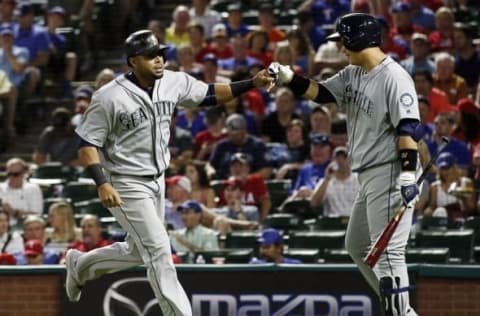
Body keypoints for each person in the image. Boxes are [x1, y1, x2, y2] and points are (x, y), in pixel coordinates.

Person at [68, 29, 272, 315]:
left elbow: (210, 94)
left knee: (141, 250)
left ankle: (81, 265)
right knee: (160, 251)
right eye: (151, 56)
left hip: (157, 181)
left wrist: (252, 83)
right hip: (125, 182)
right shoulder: (109, 96)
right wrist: (102, 183)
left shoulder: (173, 81)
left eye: (160, 53)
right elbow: (86, 143)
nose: (159, 60)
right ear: (132, 61)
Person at [268, 13, 420, 315]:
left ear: (359, 38)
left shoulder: (395, 77)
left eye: (342, 41)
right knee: (357, 246)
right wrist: (289, 77)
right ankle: (401, 310)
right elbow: (321, 93)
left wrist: (406, 174)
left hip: (389, 170)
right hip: (368, 174)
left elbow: (408, 129)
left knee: (389, 253)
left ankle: (399, 312)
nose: (340, 48)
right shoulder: (354, 72)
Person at [310, 146, 359, 217]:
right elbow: (314, 203)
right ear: (333, 161)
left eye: (344, 158)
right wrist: (326, 179)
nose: (341, 161)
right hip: (333, 222)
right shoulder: (325, 181)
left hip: (354, 220)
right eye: (338, 158)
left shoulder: (358, 179)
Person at [0, 157, 43, 227]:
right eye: (9, 174)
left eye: (15, 174)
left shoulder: (33, 189)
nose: (12, 177)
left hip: (25, 228)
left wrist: (13, 212)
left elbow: (37, 216)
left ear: (24, 173)